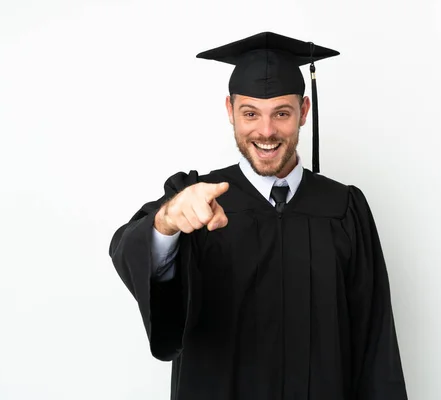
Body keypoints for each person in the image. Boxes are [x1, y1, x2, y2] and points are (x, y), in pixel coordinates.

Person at [109, 32, 408, 400]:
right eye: (250, 113)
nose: (266, 131)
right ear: (229, 111)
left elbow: (375, 345)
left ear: (303, 112)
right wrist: (166, 223)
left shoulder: (343, 209)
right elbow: (131, 248)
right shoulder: (196, 201)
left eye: (281, 113)